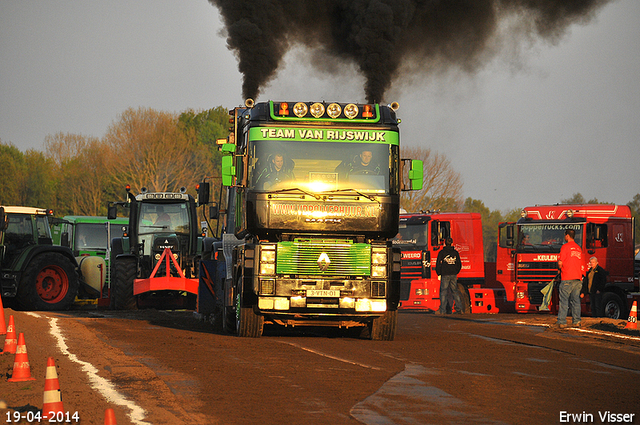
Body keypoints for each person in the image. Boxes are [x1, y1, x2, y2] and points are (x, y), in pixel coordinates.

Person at [556, 229, 585, 328]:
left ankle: (562, 321)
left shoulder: (565, 247)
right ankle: (576, 321)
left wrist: (559, 268)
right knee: (576, 301)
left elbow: (560, 262)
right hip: (577, 278)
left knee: (564, 301)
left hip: (567, 277)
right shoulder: (578, 248)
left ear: (567, 236)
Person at [435, 237, 463, 314]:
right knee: (455, 291)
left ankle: (442, 310)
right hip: (453, 274)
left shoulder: (442, 253)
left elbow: (438, 264)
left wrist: (439, 273)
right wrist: (455, 271)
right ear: (451, 243)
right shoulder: (455, 253)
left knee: (443, 292)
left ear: (444, 243)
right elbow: (459, 264)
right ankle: (459, 309)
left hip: (445, 274)